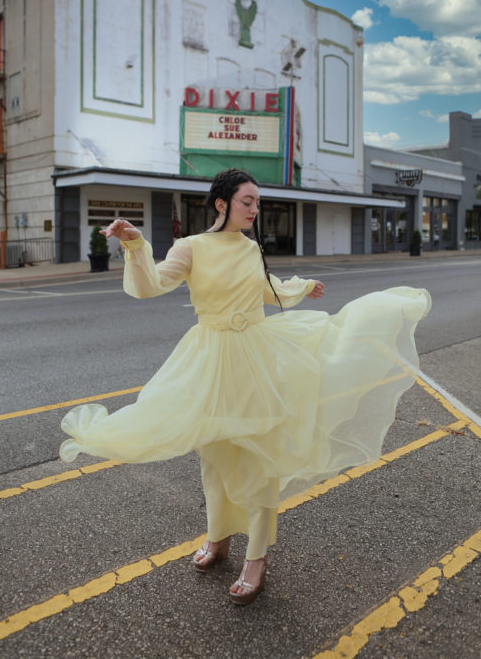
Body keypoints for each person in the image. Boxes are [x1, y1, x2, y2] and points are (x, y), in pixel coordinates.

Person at [60, 168, 431, 605]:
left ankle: (256, 556)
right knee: (215, 458)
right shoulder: (190, 247)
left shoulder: (252, 248)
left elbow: (265, 288)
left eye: (257, 202)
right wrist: (136, 245)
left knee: (259, 458)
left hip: (256, 356)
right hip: (210, 357)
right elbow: (150, 285)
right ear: (222, 204)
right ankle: (218, 538)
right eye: (248, 201)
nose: (255, 209)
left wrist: (302, 286)